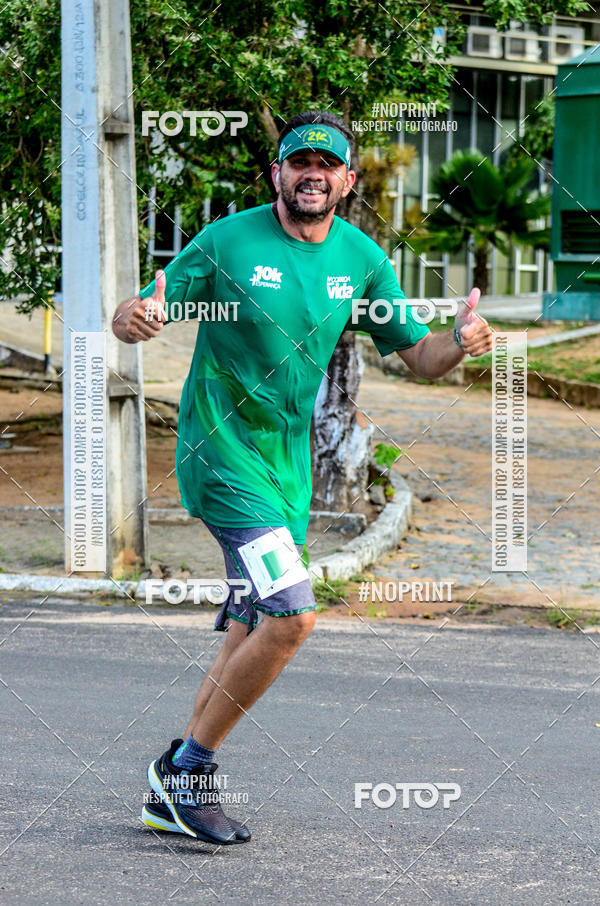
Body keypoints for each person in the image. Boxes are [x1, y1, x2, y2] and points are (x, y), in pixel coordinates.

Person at [112, 110, 493, 845]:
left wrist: (460, 341)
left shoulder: (361, 259)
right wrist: (135, 317)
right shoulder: (228, 241)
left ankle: (170, 784)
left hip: (289, 473)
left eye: (327, 164)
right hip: (221, 457)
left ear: (348, 181)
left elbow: (418, 358)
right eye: (298, 162)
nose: (311, 173)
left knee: (258, 619)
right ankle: (189, 773)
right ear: (278, 173)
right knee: (292, 615)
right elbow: (141, 308)